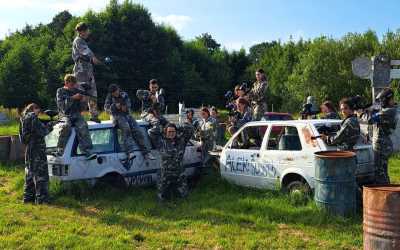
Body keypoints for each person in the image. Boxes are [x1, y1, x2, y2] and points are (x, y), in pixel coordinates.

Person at [104, 84, 155, 160]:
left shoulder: (124, 95)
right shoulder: (109, 97)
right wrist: (114, 106)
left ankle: (146, 152)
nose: (116, 93)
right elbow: (106, 108)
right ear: (111, 93)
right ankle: (130, 152)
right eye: (114, 92)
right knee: (126, 130)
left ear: (118, 89)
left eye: (116, 91)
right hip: (117, 116)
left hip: (127, 115)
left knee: (138, 131)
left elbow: (128, 104)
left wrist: (125, 107)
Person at [56, 74, 97, 160]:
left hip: (76, 114)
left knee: (83, 126)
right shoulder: (60, 91)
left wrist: (84, 101)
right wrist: (73, 98)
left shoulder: (77, 91)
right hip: (64, 114)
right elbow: (62, 106)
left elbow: (81, 108)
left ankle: (87, 151)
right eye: (71, 84)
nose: (73, 86)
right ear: (66, 83)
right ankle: (60, 150)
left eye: (74, 84)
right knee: (66, 127)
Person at [19, 103, 53, 204]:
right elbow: (43, 131)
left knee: (29, 174)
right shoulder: (32, 116)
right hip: (37, 150)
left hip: (29, 149)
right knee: (41, 175)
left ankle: (28, 198)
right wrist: (51, 125)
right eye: (38, 109)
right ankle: (42, 200)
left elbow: (22, 139)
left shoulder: (23, 118)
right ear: (34, 109)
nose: (39, 112)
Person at [72, 22, 102, 123]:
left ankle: (94, 115)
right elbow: (85, 51)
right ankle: (77, 115)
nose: (88, 32)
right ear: (82, 31)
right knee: (81, 93)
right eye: (87, 30)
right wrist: (93, 57)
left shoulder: (83, 41)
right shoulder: (78, 41)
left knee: (92, 92)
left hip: (88, 71)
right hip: (81, 71)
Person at [157, 123, 194, 202]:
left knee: (184, 197)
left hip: (179, 172)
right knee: (162, 198)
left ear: (176, 132)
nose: (171, 133)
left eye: (173, 131)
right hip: (165, 173)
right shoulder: (161, 141)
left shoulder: (181, 140)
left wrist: (177, 126)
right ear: (165, 132)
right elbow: (151, 132)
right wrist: (161, 126)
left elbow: (190, 129)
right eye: (169, 132)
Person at [369, 88, 398, 184]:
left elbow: (370, 119)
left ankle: (385, 193)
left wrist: (362, 112)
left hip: (383, 145)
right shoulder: (387, 110)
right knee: (382, 171)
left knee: (380, 173)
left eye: (382, 101)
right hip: (383, 144)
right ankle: (386, 192)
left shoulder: (389, 111)